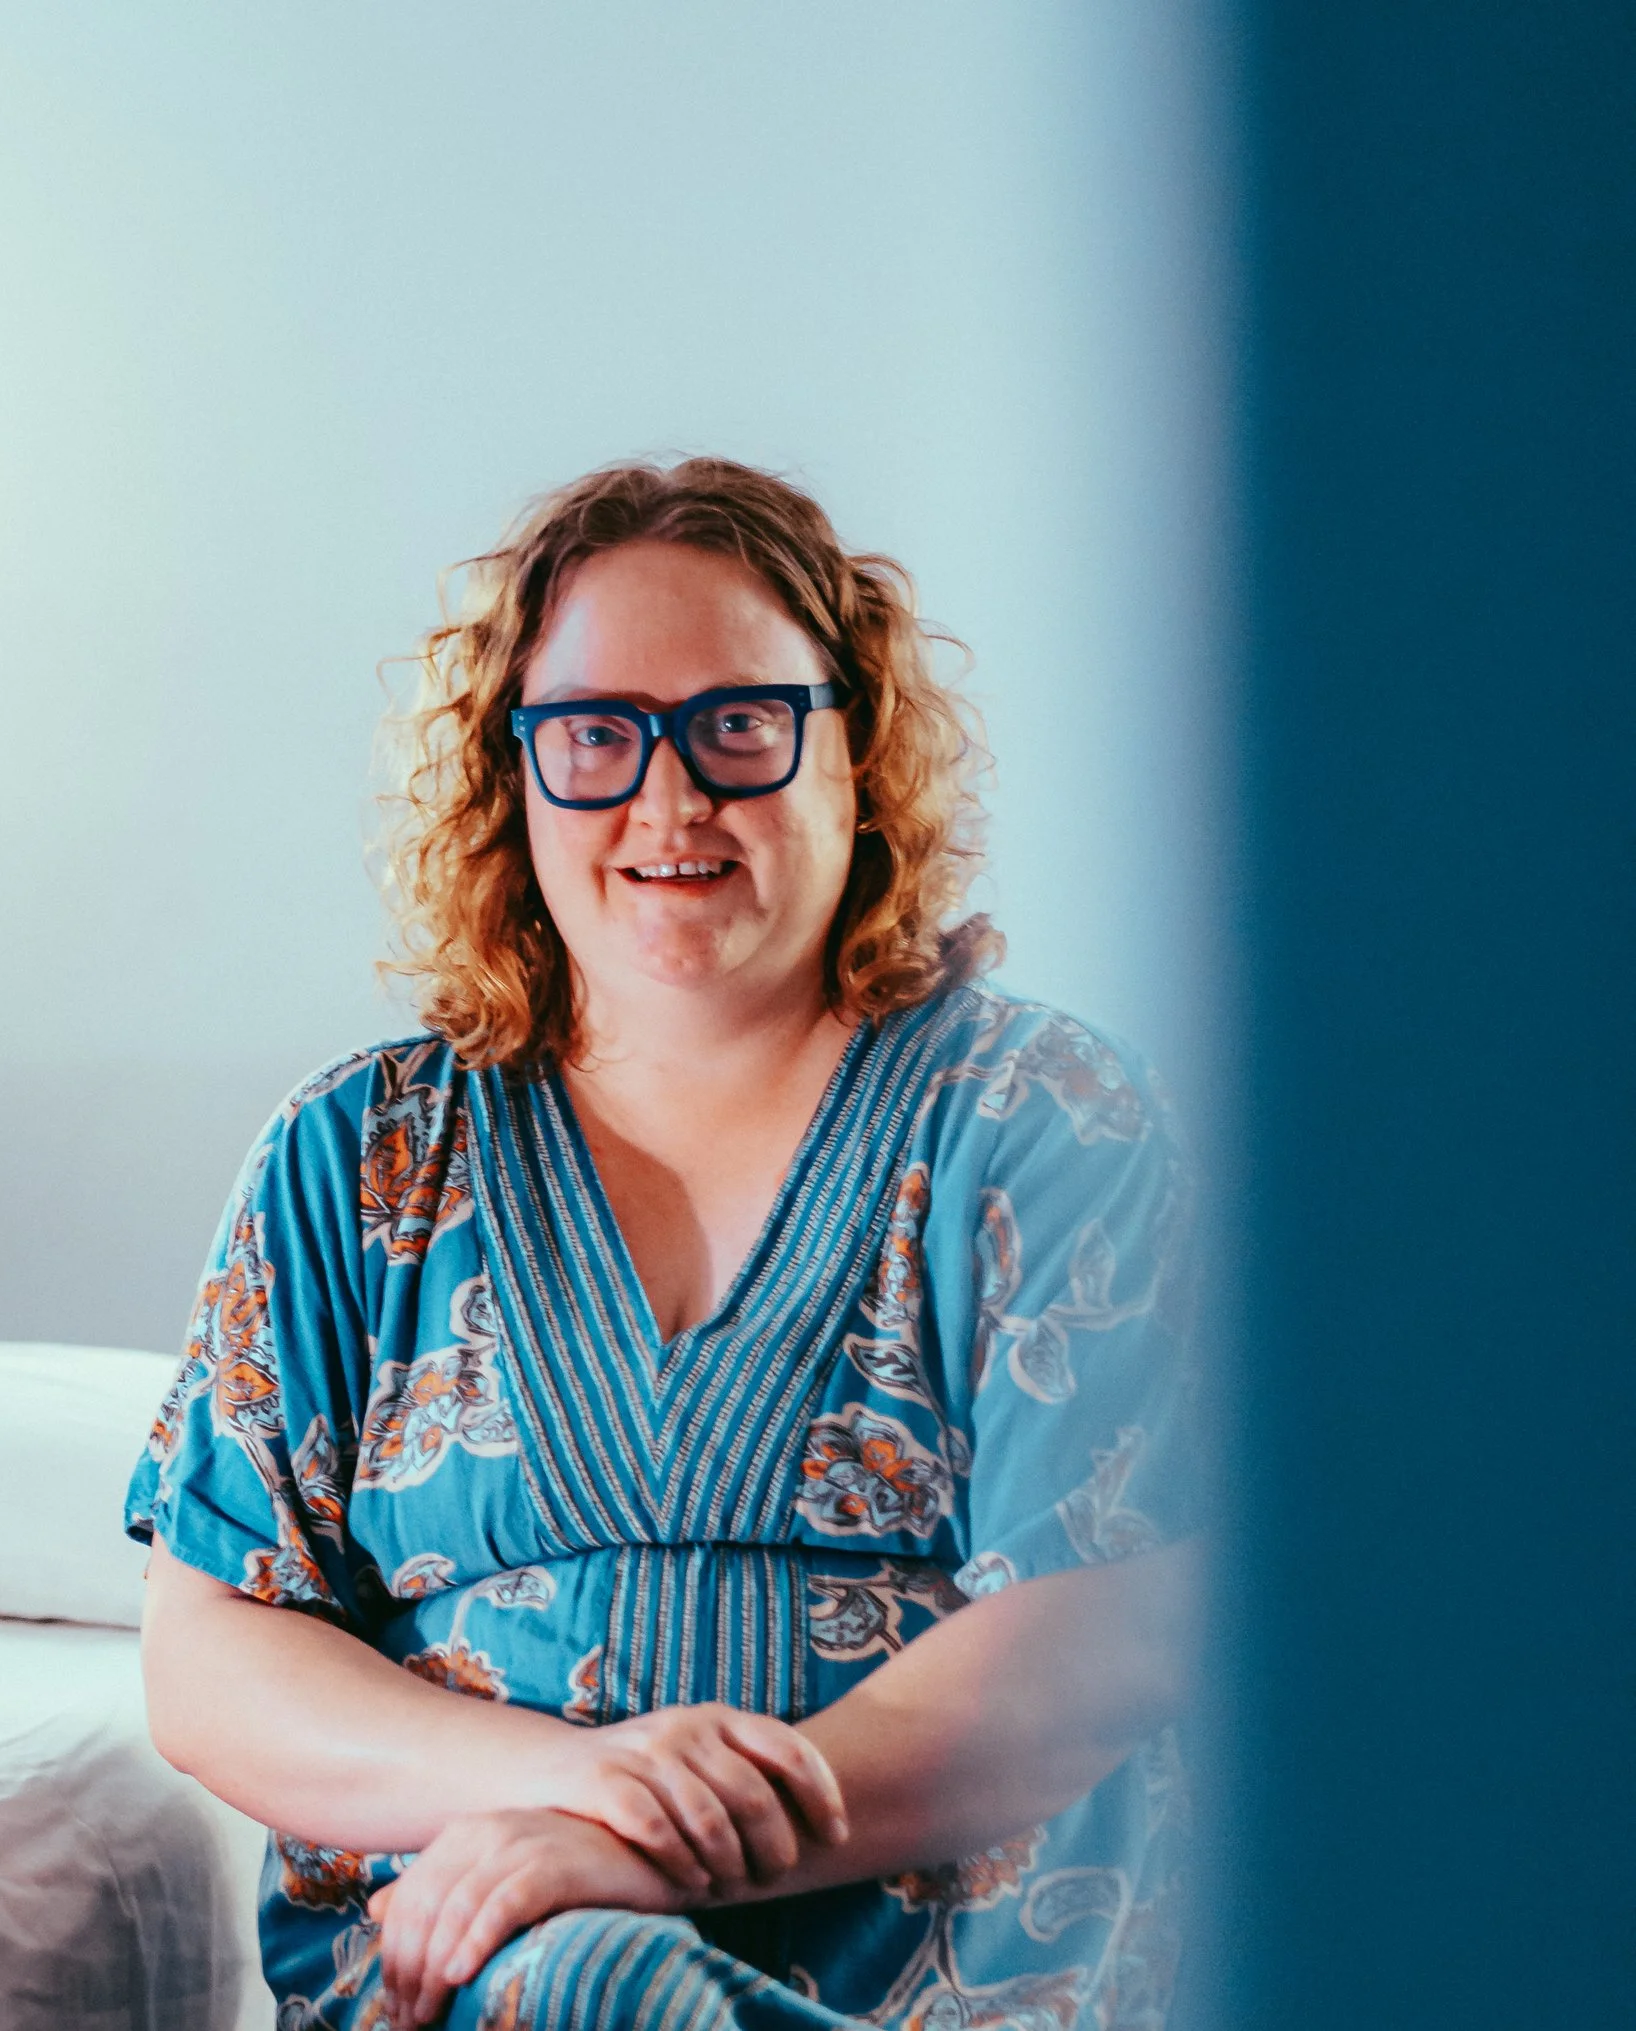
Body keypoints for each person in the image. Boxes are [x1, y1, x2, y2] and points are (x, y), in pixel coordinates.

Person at [125, 457, 1201, 2030]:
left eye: (740, 725)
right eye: (595, 733)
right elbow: (211, 1659)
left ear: (858, 755)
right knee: (584, 1983)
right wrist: (576, 1801)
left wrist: (663, 1847)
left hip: (976, 1976)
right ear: (512, 778)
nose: (670, 797)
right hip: (494, 1961)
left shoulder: (1042, 1122)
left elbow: (1106, 1636)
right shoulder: (355, 1161)